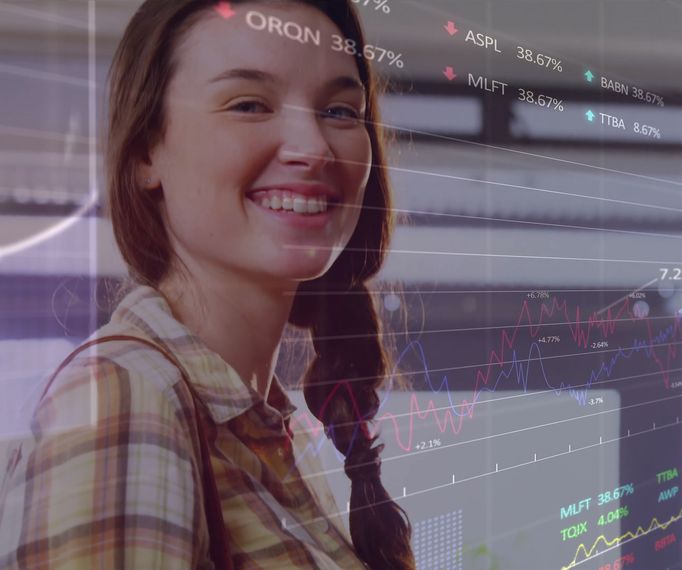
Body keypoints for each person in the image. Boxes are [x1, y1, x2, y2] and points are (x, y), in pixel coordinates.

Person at [0, 0, 414, 568]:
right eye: (249, 104)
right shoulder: (127, 402)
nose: (314, 148)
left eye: (340, 111)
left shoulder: (266, 434)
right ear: (146, 152)